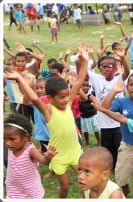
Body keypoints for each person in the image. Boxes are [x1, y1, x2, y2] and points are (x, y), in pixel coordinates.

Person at [4, 44, 89, 198]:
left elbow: (79, 81)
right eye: (61, 97)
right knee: (65, 185)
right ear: (50, 98)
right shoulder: (48, 111)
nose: (65, 100)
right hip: (58, 154)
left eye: (67, 95)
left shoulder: (68, 103)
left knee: (86, 182)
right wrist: (18, 79)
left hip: (75, 151)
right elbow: (35, 98)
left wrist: (85, 61)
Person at [88, 48, 130, 171]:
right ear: (99, 68)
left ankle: (119, 166)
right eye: (103, 66)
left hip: (117, 122)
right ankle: (109, 167)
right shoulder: (96, 79)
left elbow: (127, 72)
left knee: (120, 147)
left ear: (116, 68)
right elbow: (85, 70)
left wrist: (122, 58)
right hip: (104, 123)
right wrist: (85, 58)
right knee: (106, 147)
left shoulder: (118, 79)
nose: (106, 68)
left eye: (110, 66)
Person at [4, 113, 56, 198]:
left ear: (26, 138)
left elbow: (44, 161)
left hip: (30, 191)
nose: (7, 143)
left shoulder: (30, 151)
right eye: (4, 138)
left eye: (12, 139)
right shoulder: (11, 148)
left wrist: (48, 157)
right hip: (13, 188)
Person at [78, 77, 100, 146]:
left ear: (90, 86)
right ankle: (87, 141)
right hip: (83, 116)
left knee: (96, 129)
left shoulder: (92, 94)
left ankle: (99, 141)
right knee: (85, 130)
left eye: (87, 86)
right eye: (83, 86)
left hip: (92, 114)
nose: (85, 87)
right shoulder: (79, 95)